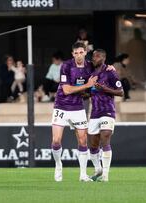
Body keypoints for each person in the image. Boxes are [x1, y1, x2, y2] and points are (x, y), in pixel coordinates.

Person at [51, 42, 98, 182]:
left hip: (78, 107)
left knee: (83, 141)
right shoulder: (66, 66)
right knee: (56, 140)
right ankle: (58, 165)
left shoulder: (90, 66)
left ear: (85, 52)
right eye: (76, 53)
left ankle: (83, 175)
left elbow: (101, 70)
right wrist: (87, 86)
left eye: (81, 52)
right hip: (61, 106)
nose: (78, 55)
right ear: (73, 54)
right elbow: (66, 90)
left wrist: (110, 68)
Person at [88, 49, 124, 182]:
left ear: (103, 58)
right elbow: (90, 92)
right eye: (93, 56)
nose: (94, 58)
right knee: (93, 145)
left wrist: (104, 89)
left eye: (97, 56)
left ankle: (105, 176)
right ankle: (98, 169)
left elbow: (120, 92)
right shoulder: (91, 73)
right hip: (94, 113)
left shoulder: (110, 72)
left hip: (108, 111)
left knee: (105, 139)